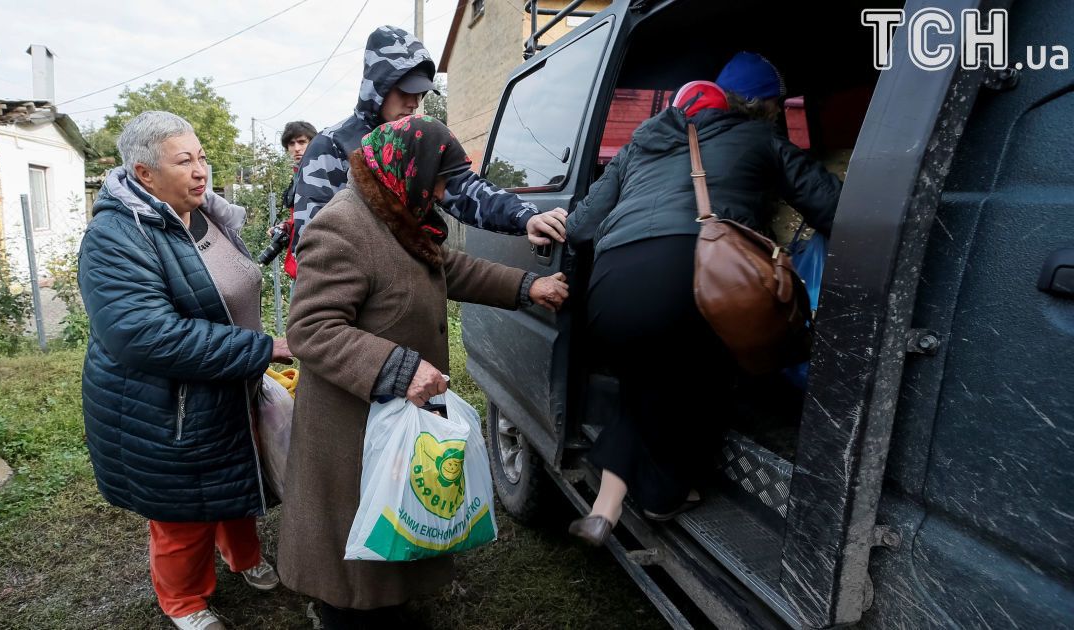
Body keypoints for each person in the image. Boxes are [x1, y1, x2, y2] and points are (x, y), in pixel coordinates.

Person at [277, 115, 568, 627]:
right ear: (408, 169)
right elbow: (311, 329)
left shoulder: (398, 214)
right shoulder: (342, 226)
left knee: (393, 531)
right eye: (438, 179)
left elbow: (447, 267)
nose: (442, 191)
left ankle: (391, 606)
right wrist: (399, 367)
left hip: (389, 414)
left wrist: (527, 287)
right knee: (353, 558)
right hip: (352, 425)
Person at [563, 79, 841, 546]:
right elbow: (831, 205)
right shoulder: (757, 137)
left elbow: (580, 226)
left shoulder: (638, 146)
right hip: (698, 281)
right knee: (708, 380)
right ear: (729, 109)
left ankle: (604, 508)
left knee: (644, 383)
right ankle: (662, 494)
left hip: (610, 290)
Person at [78, 111, 294, 630]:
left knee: (238, 481)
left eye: (202, 157)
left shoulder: (206, 213)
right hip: (165, 402)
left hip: (225, 381)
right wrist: (262, 348)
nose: (201, 171)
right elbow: (142, 334)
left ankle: (243, 557)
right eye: (184, 161)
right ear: (144, 173)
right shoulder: (116, 236)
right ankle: (185, 602)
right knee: (182, 513)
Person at [290, 25, 568, 258]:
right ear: (378, 87)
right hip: (356, 304)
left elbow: (464, 189)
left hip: (411, 296)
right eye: (405, 91)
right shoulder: (333, 144)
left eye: (420, 93)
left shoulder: (418, 145)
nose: (414, 103)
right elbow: (313, 240)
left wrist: (525, 216)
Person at [269, 120, 317, 280]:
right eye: (291, 143)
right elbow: (300, 217)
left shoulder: (321, 174)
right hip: (299, 265)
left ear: (313, 142)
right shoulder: (298, 175)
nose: (296, 148)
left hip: (316, 265)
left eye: (302, 142)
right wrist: (286, 227)